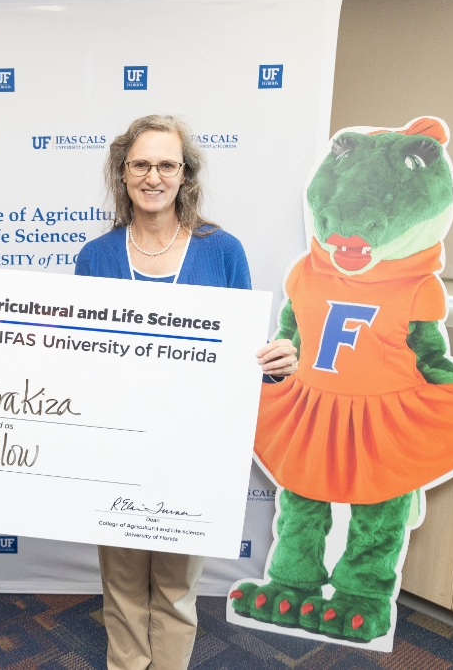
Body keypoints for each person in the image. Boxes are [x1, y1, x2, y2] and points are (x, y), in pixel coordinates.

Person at [75, 115, 297, 670]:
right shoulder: (95, 259)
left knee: (175, 591)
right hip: (119, 451)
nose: (154, 176)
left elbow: (244, 354)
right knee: (122, 589)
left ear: (184, 174)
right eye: (141, 164)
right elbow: (77, 358)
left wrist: (275, 362)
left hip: (196, 454)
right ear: (122, 174)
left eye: (166, 165)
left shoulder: (223, 252)